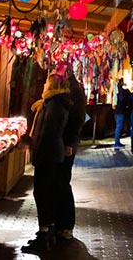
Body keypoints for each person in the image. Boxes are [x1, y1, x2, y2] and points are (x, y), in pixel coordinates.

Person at [22, 73, 70, 252]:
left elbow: (48, 133)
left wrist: (33, 145)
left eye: (46, 83)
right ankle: (46, 232)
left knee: (43, 194)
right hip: (48, 154)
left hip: (47, 155)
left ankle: (45, 234)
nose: (43, 86)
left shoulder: (55, 105)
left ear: (53, 86)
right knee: (43, 193)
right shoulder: (50, 103)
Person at [55, 73, 87, 240]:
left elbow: (76, 119)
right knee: (59, 183)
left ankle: (66, 225)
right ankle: (60, 223)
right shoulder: (68, 89)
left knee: (62, 183)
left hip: (65, 145)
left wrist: (70, 143)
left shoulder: (74, 91)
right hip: (61, 144)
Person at [113, 78, 131, 148]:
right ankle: (117, 143)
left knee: (118, 126)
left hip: (117, 110)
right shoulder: (123, 92)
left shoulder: (118, 92)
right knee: (119, 126)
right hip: (121, 111)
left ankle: (117, 142)